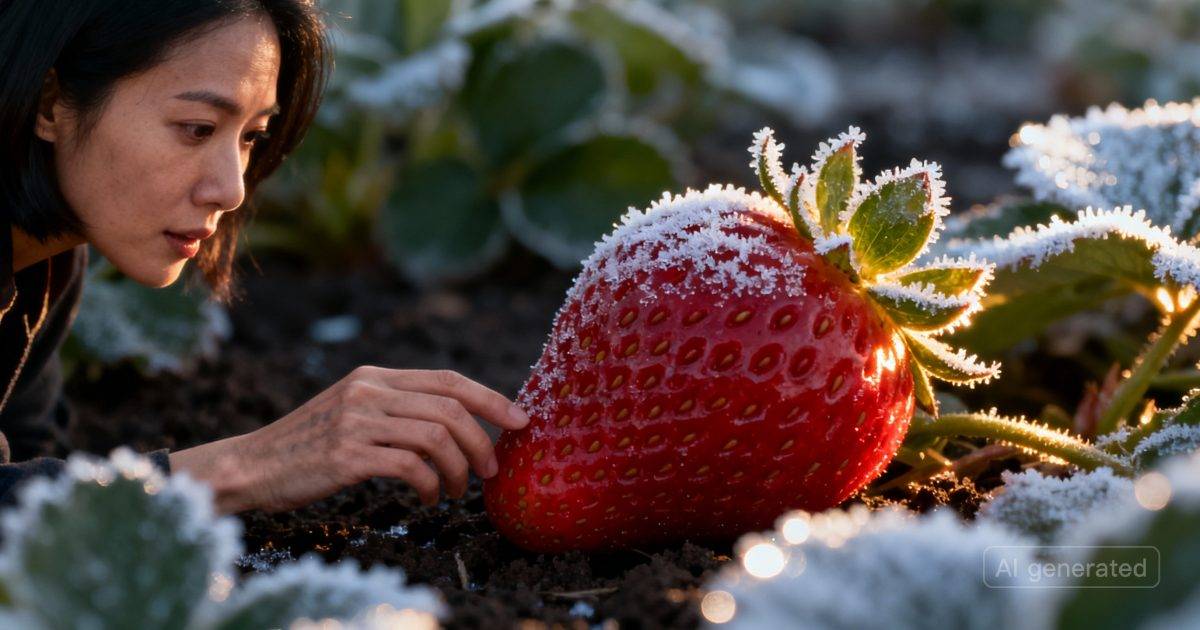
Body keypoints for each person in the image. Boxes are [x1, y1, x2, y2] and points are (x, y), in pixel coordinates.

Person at [0, 0, 530, 514]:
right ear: (52, 104)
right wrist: (248, 466)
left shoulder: (48, 266)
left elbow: (30, 478)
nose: (231, 190)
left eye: (252, 136)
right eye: (198, 128)